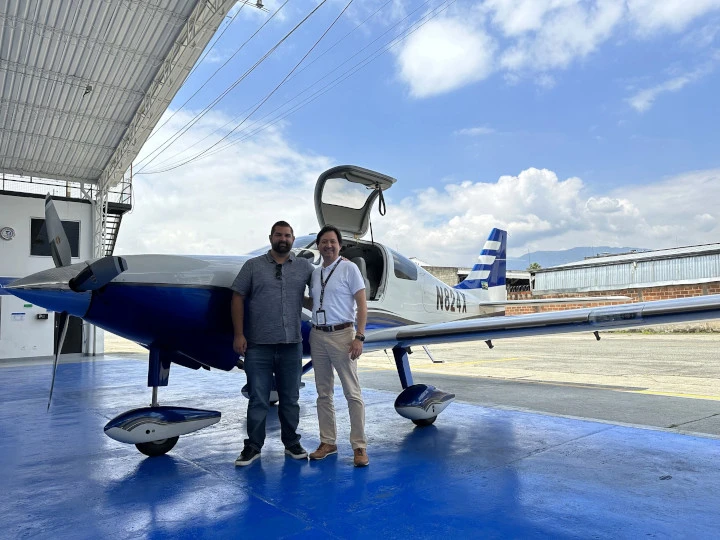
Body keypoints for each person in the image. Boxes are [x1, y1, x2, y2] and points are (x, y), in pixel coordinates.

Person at [231, 220, 314, 466]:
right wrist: (239, 334)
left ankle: (292, 443)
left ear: (292, 239)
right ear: (271, 238)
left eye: (288, 235)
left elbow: (321, 291)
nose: (284, 239)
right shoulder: (253, 266)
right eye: (279, 235)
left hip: (292, 345)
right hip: (258, 345)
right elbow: (237, 297)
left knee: (291, 398)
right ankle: (253, 447)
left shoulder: (304, 267)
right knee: (258, 399)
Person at [307, 224, 369, 467]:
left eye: (332, 241)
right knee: (323, 393)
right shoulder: (315, 273)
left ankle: (359, 446)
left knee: (352, 393)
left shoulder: (349, 268)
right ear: (319, 246)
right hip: (317, 335)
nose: (328, 245)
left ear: (339, 245)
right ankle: (328, 441)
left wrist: (359, 337)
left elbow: (362, 305)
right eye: (324, 242)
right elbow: (315, 302)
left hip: (343, 335)